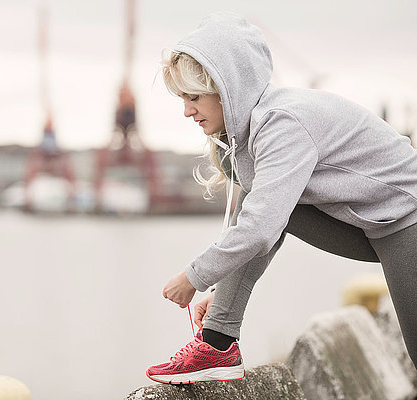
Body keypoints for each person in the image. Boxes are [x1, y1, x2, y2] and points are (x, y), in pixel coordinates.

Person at [146, 12, 417, 385]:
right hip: (374, 227)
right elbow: (259, 216)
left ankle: (218, 340)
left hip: (408, 220)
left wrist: (193, 277)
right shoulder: (255, 130)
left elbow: (259, 228)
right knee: (266, 205)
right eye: (182, 98)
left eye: (194, 97)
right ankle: (218, 341)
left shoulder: (283, 122)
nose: (186, 110)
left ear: (228, 90)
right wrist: (223, 298)